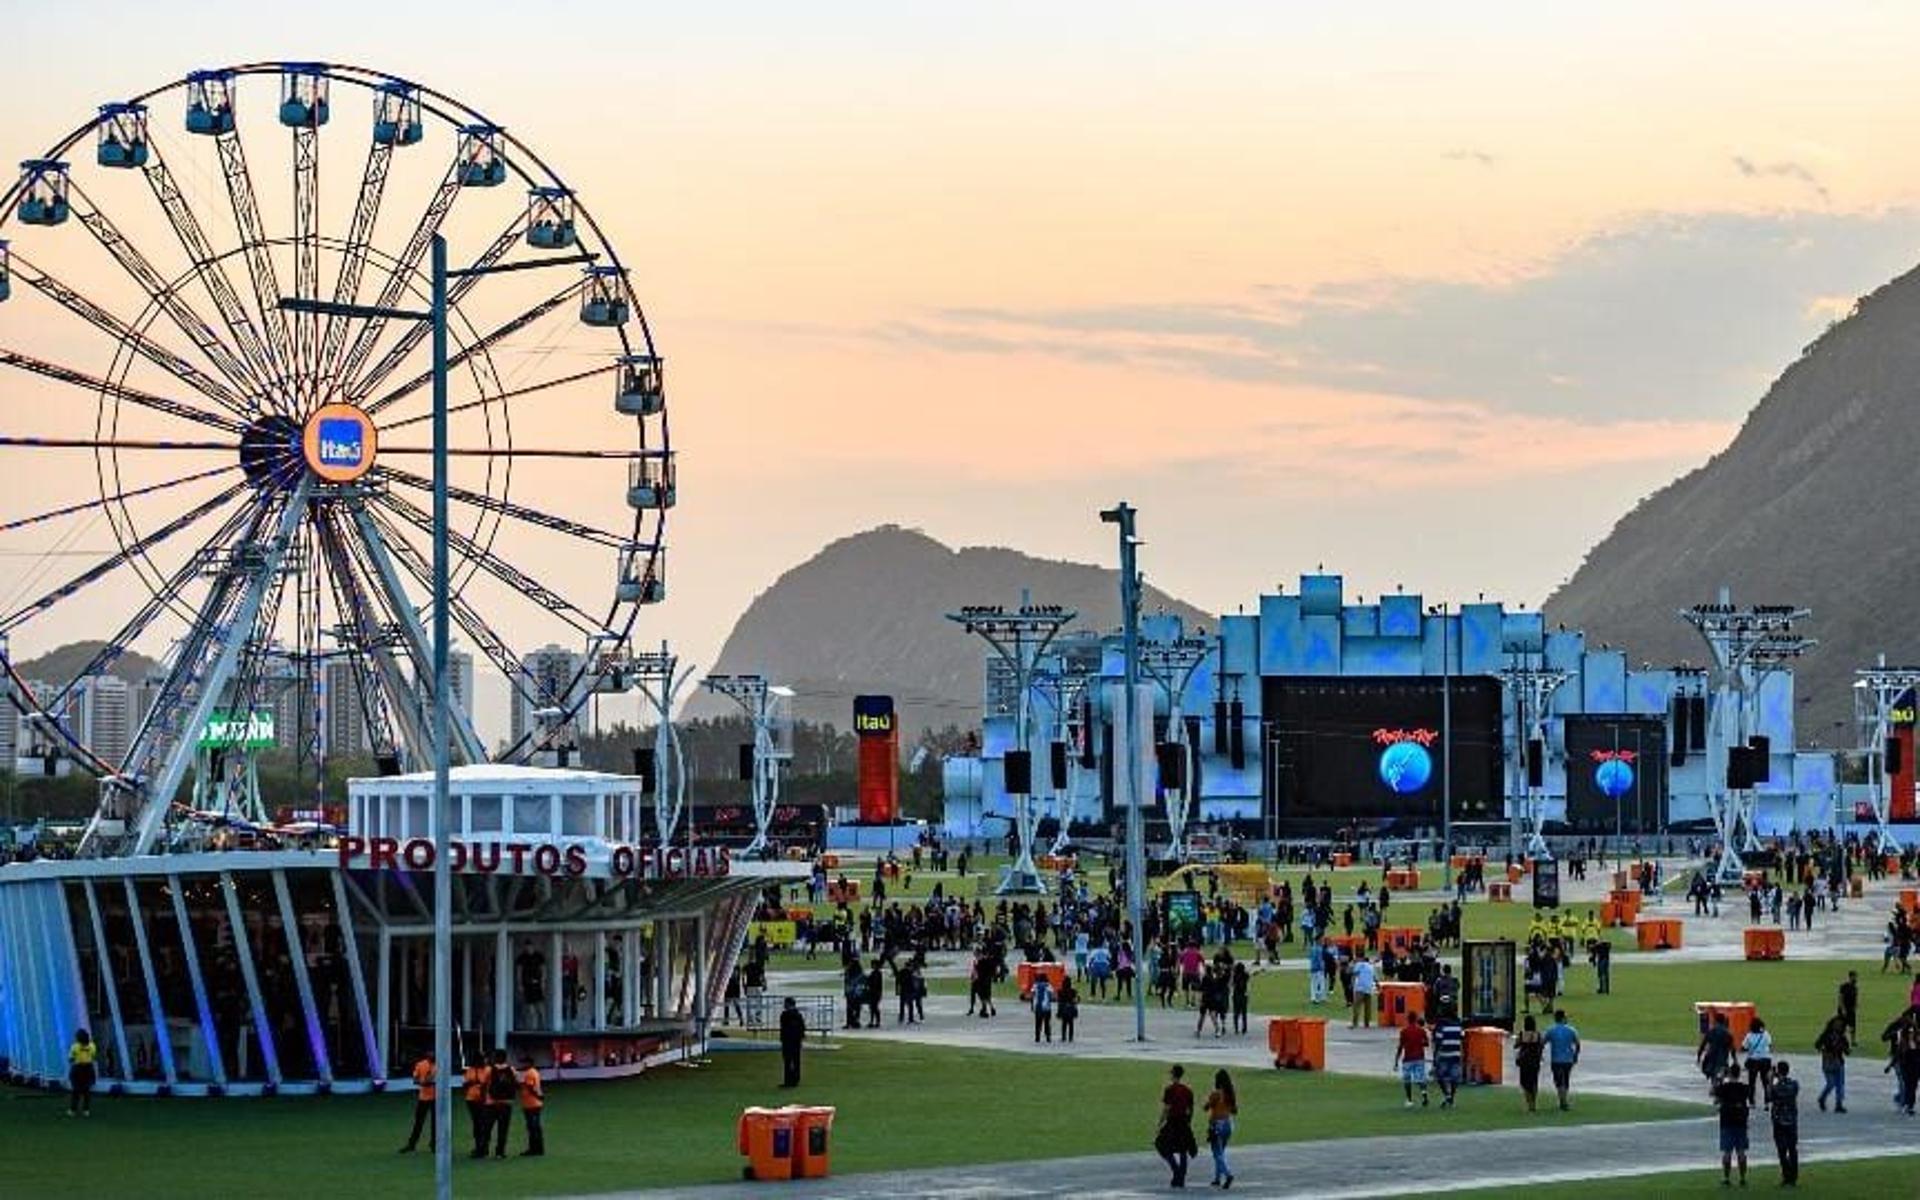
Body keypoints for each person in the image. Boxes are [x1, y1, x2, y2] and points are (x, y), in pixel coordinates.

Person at [1155, 1064, 1199, 1188]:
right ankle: (1181, 1176)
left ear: (1173, 1074)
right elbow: (1190, 1109)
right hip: (1184, 1122)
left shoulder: (1169, 1089)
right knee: (1183, 1149)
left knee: (1162, 1144)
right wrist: (1188, 1122)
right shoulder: (1188, 1090)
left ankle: (1176, 1170)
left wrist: (1160, 1123)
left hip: (1173, 1122)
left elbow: (1167, 1109)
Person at [1714, 1065, 1751, 1188]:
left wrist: (1720, 1078)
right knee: (1741, 1152)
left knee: (1727, 1152)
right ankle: (1743, 1178)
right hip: (1741, 1122)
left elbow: (1713, 1094)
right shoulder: (1744, 1088)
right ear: (1739, 1074)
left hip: (1726, 1121)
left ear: (1729, 1074)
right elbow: (1749, 1098)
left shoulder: (1724, 1087)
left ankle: (1726, 1177)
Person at [1768, 1060, 1799, 1187]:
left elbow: (1769, 1096)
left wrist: (1771, 1080)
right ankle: (1794, 1176)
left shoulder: (1776, 1086)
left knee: (1781, 1150)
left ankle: (1787, 1175)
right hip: (1792, 1119)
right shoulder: (1794, 1084)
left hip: (1779, 1120)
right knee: (1792, 1149)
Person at [1204, 1068, 1237, 1189]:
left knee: (1217, 1153)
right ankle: (1217, 1178)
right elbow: (1234, 1110)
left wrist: (1208, 1101)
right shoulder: (1230, 1094)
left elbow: (1206, 1107)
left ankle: (1228, 1174)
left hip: (1217, 1124)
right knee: (1221, 1152)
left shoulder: (1216, 1094)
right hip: (1228, 1123)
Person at [1543, 1009, 1581, 1112]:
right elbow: (1577, 1044)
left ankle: (1563, 1102)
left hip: (1556, 1060)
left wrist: (1540, 1054)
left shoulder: (1551, 1030)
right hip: (1568, 1059)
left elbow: (1543, 1042)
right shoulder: (1571, 1030)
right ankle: (1563, 1101)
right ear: (1563, 1018)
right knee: (1566, 1080)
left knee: (1559, 1081)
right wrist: (1575, 1055)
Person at [483, 1048, 517, 1160]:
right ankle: (500, 1152)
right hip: (507, 1103)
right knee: (503, 1129)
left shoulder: (489, 1070)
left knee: (487, 1128)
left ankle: (484, 1150)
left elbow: (484, 1084)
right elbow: (516, 1084)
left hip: (491, 1103)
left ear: (496, 1057)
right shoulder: (511, 1069)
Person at [399, 1051, 436, 1152]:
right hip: (423, 1097)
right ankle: (412, 1144)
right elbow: (415, 1080)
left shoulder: (439, 1065)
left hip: (436, 1098)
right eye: (431, 1054)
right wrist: (424, 1082)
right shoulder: (420, 1064)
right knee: (419, 1122)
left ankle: (434, 1144)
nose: (432, 1056)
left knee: (436, 1122)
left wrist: (431, 1082)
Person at [1394, 1012, 1431, 1108]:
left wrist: (1396, 1061)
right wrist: (1419, 1043)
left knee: (1407, 1079)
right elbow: (1427, 1044)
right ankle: (1424, 1095)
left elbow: (1400, 1046)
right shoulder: (1421, 1031)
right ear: (1416, 1019)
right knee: (1421, 1078)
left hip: (1408, 1058)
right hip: (1419, 1057)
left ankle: (1409, 1100)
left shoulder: (1404, 1031)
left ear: (1408, 1019)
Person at [1814, 1014, 1849, 1113]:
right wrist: (1824, 1050)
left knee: (1840, 1085)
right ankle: (1822, 1098)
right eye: (1836, 1024)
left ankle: (1839, 1104)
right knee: (1831, 1083)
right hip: (1828, 1062)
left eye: (1840, 1025)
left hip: (1839, 1062)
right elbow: (1817, 1045)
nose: (1838, 1026)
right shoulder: (1826, 1035)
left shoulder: (1842, 1037)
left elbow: (1847, 1051)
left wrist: (1845, 1049)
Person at [1432, 1010, 1465, 1108]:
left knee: (1440, 1076)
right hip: (1456, 1055)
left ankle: (1447, 1095)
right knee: (1454, 1078)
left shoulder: (1441, 1027)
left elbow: (1438, 1043)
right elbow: (1462, 1039)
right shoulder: (1459, 1027)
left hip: (1444, 1055)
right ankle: (1452, 1098)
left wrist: (1435, 1056)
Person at [1514, 1014, 1545, 1113]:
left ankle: (1529, 1103)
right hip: (1535, 1061)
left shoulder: (1522, 1034)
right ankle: (1534, 1104)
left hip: (1524, 1061)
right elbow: (1541, 1046)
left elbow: (1516, 1045)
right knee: (1534, 1082)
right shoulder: (1537, 1034)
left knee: (1524, 1082)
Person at [1698, 1011, 1736, 1092]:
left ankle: (1715, 1088)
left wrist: (1699, 1056)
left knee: (1712, 1074)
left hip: (1711, 1057)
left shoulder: (1711, 1031)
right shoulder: (1728, 1033)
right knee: (1721, 1073)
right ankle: (1718, 1088)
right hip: (1723, 1057)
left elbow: (1703, 1045)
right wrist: (1735, 1059)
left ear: (1716, 1021)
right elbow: (1732, 1048)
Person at [517, 1054, 545, 1157]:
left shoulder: (529, 1073)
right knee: (536, 1127)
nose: (522, 1064)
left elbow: (530, 1088)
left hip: (531, 1104)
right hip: (534, 1103)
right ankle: (538, 1148)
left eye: (524, 1062)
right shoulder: (535, 1072)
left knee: (532, 1127)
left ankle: (534, 1149)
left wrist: (537, 1096)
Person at [1742, 1018, 1774, 1106]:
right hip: (1765, 1060)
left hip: (1753, 1060)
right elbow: (1770, 1045)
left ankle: (1752, 1102)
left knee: (1752, 1082)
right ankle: (1767, 1102)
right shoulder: (1766, 1034)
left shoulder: (1749, 1035)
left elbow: (1743, 1047)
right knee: (1765, 1082)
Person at [66, 1028, 97, 1118]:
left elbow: (70, 1059)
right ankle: (86, 1110)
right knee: (87, 1090)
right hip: (88, 1068)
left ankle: (73, 1110)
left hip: (78, 1069)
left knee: (76, 1090)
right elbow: (94, 1056)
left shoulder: (75, 1046)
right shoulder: (92, 1046)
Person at [464, 1056, 489, 1158]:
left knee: (483, 1124)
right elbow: (465, 1085)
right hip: (472, 1100)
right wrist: (470, 1083)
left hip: (484, 1101)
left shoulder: (488, 1070)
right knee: (477, 1124)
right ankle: (479, 1147)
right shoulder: (470, 1070)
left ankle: (483, 1148)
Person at [779, 997, 807, 1087]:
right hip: (796, 1040)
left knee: (788, 1061)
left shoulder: (785, 1015)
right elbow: (802, 1027)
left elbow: (783, 1028)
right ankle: (795, 1079)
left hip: (788, 1040)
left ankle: (788, 1080)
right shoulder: (798, 1015)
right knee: (796, 1060)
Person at [1350, 953, 1378, 1029]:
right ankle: (1367, 1023)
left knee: (1356, 1006)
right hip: (1368, 989)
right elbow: (1375, 978)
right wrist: (1376, 986)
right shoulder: (1371, 967)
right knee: (1367, 1007)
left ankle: (1355, 1023)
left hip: (1360, 988)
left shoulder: (1359, 964)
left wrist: (1352, 984)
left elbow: (1354, 974)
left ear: (1361, 959)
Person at [1031, 974, 1055, 1044]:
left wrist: (1032, 1005)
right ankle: (1048, 1037)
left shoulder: (1035, 985)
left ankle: (1037, 1037)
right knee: (1047, 1023)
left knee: (1038, 1023)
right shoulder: (1048, 985)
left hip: (1038, 1007)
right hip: (1046, 1007)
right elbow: (1051, 996)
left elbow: (1032, 995)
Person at [1058, 978, 1080, 1044]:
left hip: (1063, 1008)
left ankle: (1063, 1037)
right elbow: (1077, 999)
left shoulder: (1060, 991)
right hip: (1071, 1008)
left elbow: (1059, 1001)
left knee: (1064, 1024)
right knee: (1071, 1024)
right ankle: (1070, 1037)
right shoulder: (1073, 991)